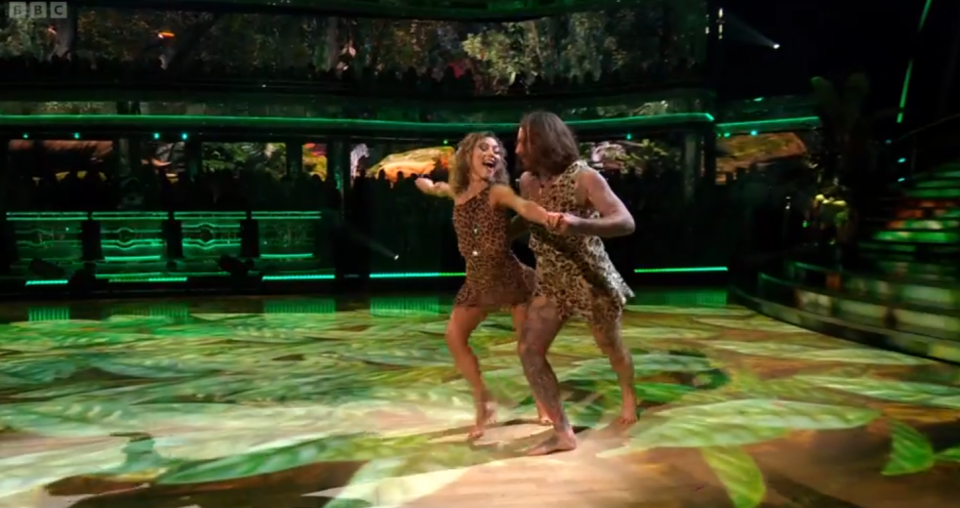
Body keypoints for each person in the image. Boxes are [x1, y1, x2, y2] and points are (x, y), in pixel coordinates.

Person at [511, 111, 638, 455]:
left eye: (524, 140)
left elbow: (625, 222)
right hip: (552, 280)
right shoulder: (526, 182)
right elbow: (528, 218)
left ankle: (628, 393)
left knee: (610, 346)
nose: (518, 147)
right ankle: (563, 432)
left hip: (589, 278)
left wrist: (578, 224)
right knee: (528, 350)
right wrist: (501, 233)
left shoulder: (585, 177)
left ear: (543, 141)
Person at [415, 131, 554, 439]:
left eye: (497, 150)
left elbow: (523, 206)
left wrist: (546, 215)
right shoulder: (458, 190)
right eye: (484, 148)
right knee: (454, 337)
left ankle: (544, 403)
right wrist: (425, 186)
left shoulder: (497, 191)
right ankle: (484, 402)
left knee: (527, 350)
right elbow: (440, 188)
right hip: (477, 280)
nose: (493, 153)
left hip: (509, 278)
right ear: (467, 156)